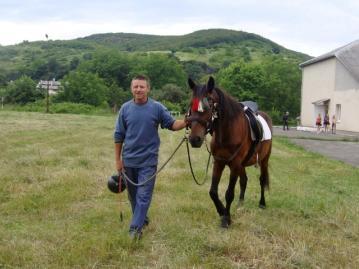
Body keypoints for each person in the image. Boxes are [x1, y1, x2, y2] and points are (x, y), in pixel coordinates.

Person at [114, 75, 188, 240]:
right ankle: (142, 219)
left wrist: (186, 121)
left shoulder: (157, 108)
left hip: (148, 161)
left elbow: (172, 124)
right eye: (135, 87)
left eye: (142, 86)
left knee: (143, 195)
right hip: (129, 161)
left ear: (148, 88)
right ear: (131, 88)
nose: (138, 89)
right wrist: (118, 160)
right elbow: (118, 136)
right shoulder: (125, 109)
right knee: (133, 196)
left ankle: (135, 229)